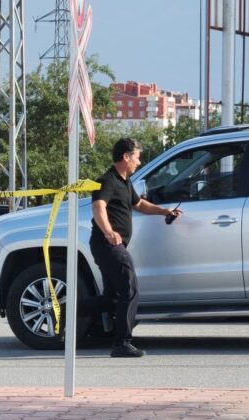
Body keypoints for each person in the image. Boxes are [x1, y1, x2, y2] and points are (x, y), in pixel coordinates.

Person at [90, 138, 182, 357]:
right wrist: (109, 232)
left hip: (110, 245)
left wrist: (165, 212)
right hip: (109, 245)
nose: (138, 163)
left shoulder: (124, 183)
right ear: (126, 156)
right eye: (137, 158)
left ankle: (66, 311)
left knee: (111, 298)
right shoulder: (107, 180)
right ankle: (122, 343)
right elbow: (98, 206)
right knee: (130, 290)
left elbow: (139, 204)